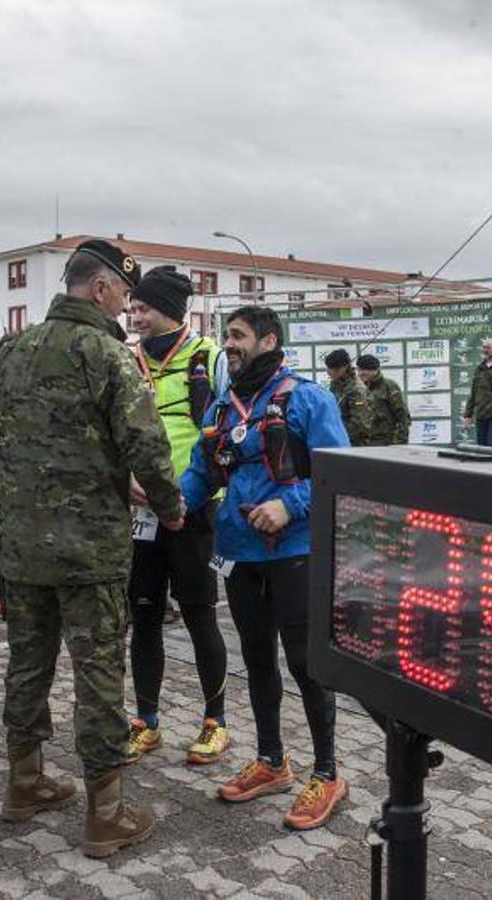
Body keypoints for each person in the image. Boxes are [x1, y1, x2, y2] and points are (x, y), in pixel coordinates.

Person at [0, 239, 183, 857]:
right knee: (97, 677)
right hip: (90, 552)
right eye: (122, 293)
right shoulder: (107, 355)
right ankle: (105, 816)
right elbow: (147, 446)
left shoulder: (13, 351)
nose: (125, 305)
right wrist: (170, 510)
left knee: (27, 664)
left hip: (23, 550)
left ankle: (24, 783)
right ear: (99, 289)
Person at [182, 305, 351, 831]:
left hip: (295, 553)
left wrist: (290, 504)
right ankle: (273, 762)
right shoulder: (221, 409)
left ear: (269, 340)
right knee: (256, 661)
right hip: (240, 552)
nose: (227, 344)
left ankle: (327, 773)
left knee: (305, 663)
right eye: (225, 336)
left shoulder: (307, 398)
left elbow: (336, 470)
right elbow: (200, 472)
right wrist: (170, 504)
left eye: (237, 336)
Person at [119, 265, 231, 769]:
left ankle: (216, 721)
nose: (132, 314)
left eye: (141, 307)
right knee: (142, 615)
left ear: (167, 308)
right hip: (141, 511)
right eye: (132, 306)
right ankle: (146, 720)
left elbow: (226, 431)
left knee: (199, 616)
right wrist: (127, 482)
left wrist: (188, 494)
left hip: (193, 511)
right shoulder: (127, 359)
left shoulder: (208, 356)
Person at [322, 349, 375, 447]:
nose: (328, 372)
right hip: (339, 442)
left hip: (354, 445)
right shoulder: (336, 384)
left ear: (342, 369)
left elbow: (360, 424)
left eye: (331, 368)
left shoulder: (357, 390)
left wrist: (337, 435)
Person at [356, 353, 409, 445]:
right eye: (360, 369)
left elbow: (403, 416)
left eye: (366, 369)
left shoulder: (389, 386)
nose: (362, 373)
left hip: (385, 442)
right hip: (361, 444)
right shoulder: (355, 388)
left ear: (375, 370)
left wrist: (399, 443)